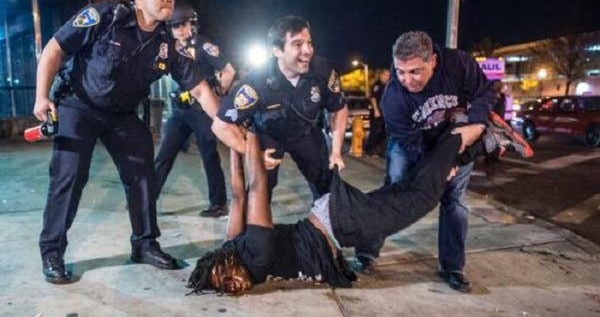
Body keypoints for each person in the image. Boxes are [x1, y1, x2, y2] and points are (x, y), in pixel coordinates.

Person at [186, 115, 533, 295]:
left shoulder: (255, 255)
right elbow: (237, 195)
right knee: (407, 191)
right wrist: (231, 140)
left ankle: (461, 133)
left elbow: (256, 185)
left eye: (223, 278)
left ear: (226, 261)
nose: (230, 285)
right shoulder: (234, 250)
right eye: (221, 288)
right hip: (334, 218)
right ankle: (481, 142)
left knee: (421, 198)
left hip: (340, 223)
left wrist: (248, 137)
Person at [33, 0, 219, 284]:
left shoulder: (166, 43)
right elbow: (54, 48)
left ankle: (144, 244)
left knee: (143, 173)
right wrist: (41, 96)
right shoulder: (103, 17)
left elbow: (200, 88)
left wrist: (225, 122)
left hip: (121, 116)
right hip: (78, 105)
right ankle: (52, 252)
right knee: (70, 175)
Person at [379, 31, 499, 293]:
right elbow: (410, 144)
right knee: (395, 188)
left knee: (453, 200)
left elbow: (485, 93)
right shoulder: (393, 98)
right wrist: (436, 168)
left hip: (456, 138)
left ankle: (452, 266)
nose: (407, 80)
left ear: (432, 60)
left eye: (415, 72)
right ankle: (367, 252)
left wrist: (476, 124)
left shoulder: (459, 63)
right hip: (413, 143)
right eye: (401, 72)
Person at [212, 15, 348, 200]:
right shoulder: (256, 82)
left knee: (326, 184)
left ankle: (331, 223)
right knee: (259, 190)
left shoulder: (322, 70)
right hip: (268, 135)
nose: (307, 50)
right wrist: (251, 152)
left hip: (305, 133)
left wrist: (336, 151)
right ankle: (253, 227)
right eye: (297, 44)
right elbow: (220, 125)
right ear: (277, 50)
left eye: (309, 42)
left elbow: (338, 109)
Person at [154, 4, 235, 218]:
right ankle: (147, 200)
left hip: (201, 111)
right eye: (175, 26)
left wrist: (219, 90)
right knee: (164, 154)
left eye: (184, 24)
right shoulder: (168, 47)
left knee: (209, 155)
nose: (180, 29)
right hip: (179, 111)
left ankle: (218, 204)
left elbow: (228, 70)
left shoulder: (204, 45)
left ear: (193, 25)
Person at [365, 69, 391, 157]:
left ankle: (380, 150)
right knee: (374, 131)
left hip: (386, 112)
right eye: (385, 75)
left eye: (388, 75)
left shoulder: (389, 85)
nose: (387, 77)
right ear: (381, 75)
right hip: (377, 112)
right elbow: (373, 98)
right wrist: (376, 110)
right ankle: (370, 150)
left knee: (385, 132)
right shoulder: (377, 85)